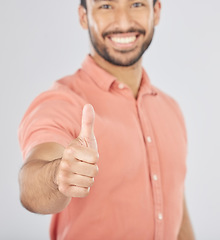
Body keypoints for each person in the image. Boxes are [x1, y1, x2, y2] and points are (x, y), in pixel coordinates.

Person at [18, 0, 195, 239]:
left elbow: (177, 211)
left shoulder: (170, 109)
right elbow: (31, 188)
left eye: (137, 4)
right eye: (106, 6)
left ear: (156, 11)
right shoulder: (62, 102)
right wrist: (58, 174)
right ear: (83, 16)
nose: (123, 22)